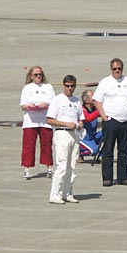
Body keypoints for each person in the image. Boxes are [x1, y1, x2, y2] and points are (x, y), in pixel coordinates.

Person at [93, 58, 127, 187]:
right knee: (108, 150)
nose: (117, 71)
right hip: (111, 120)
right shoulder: (105, 82)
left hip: (125, 121)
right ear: (111, 69)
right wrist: (104, 117)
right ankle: (107, 177)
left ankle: (123, 177)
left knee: (123, 150)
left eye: (119, 69)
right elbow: (97, 101)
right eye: (114, 69)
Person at [46, 75, 84, 204]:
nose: (70, 88)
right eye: (67, 86)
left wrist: (80, 123)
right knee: (62, 166)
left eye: (72, 86)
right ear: (64, 86)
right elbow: (50, 119)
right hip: (62, 133)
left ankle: (67, 193)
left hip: (74, 134)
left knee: (71, 166)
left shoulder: (77, 101)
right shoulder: (57, 100)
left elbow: (81, 118)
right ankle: (54, 194)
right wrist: (65, 124)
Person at [19, 65, 55, 179]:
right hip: (30, 121)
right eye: (36, 75)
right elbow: (22, 106)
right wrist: (29, 106)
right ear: (31, 76)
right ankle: (27, 168)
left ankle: (49, 168)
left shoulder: (48, 87)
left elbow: (53, 103)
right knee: (28, 146)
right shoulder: (27, 88)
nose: (38, 76)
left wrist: (46, 104)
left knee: (47, 144)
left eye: (40, 74)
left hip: (45, 120)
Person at [78, 89, 103, 163]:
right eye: (93, 96)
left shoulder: (94, 109)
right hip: (83, 139)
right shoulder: (82, 110)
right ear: (87, 100)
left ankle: (102, 154)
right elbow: (88, 118)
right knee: (94, 150)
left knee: (109, 132)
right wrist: (100, 109)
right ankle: (79, 153)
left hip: (92, 137)